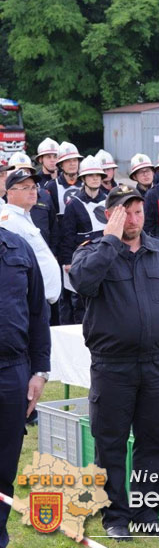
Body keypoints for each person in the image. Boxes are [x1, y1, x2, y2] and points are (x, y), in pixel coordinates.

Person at [70, 185, 159, 540]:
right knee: (110, 441)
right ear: (111, 215)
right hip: (113, 365)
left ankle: (146, 512)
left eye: (138, 211)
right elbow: (82, 282)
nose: (133, 219)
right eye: (125, 212)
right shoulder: (92, 252)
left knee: (155, 441)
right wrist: (109, 241)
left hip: (156, 364)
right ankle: (115, 516)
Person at [0, 219, 50, 548]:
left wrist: (40, 370)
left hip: (12, 371)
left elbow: (38, 312)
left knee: (5, 463)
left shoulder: (19, 248)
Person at [0, 169, 60, 305]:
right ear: (10, 192)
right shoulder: (9, 221)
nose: (33, 191)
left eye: (34, 187)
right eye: (25, 188)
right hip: (31, 301)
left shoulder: (24, 216)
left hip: (42, 299)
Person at [46, 142, 84, 324]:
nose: (72, 164)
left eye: (75, 160)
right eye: (68, 161)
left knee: (82, 296)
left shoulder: (86, 182)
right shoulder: (51, 187)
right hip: (63, 249)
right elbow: (51, 221)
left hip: (83, 247)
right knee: (64, 297)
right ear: (61, 164)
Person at [59, 156, 108, 280]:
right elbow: (67, 236)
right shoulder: (73, 204)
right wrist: (68, 261)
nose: (95, 178)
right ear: (83, 178)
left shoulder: (109, 201)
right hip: (83, 260)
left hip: (107, 256)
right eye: (91, 175)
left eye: (98, 175)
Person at [6, 152, 57, 250]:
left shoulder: (45, 196)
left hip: (43, 252)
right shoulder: (4, 199)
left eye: (27, 171)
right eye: (19, 171)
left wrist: (53, 253)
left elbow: (54, 228)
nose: (24, 174)